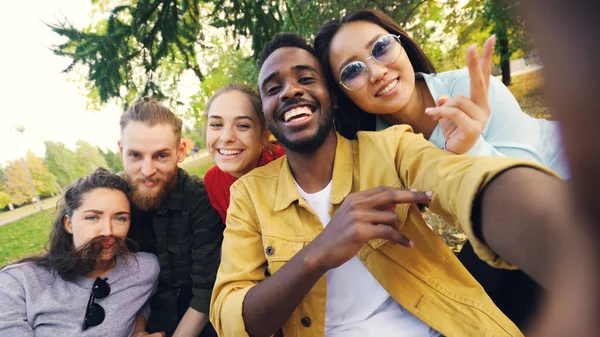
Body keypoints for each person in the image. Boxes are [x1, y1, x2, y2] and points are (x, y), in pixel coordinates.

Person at [210, 33, 571, 337]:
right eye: (274, 88)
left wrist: (554, 229)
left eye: (305, 79)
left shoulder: (391, 146)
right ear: (267, 117)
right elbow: (230, 315)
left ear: (333, 97)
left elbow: (458, 180)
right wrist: (316, 254)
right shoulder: (249, 196)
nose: (290, 91)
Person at [313, 9, 554, 326]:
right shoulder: (375, 147)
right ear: (340, 96)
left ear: (403, 45)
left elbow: (532, 210)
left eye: (381, 47)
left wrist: (473, 147)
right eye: (352, 71)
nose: (376, 71)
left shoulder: (471, 93)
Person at [0, 167, 162, 337]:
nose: (108, 231)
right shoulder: (18, 283)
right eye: (92, 217)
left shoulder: (145, 269)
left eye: (120, 218)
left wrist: (138, 328)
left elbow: (142, 303)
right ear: (68, 224)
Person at [119, 97, 224, 337]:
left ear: (181, 152)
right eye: (135, 156)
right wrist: (138, 330)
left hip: (198, 323)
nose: (147, 170)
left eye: (161, 156)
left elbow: (206, 289)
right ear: (121, 151)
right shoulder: (110, 199)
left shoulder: (200, 198)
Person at [203, 83, 285, 223]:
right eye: (216, 124)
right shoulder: (212, 182)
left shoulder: (288, 163)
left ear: (264, 135)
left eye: (242, 125)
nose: (226, 137)